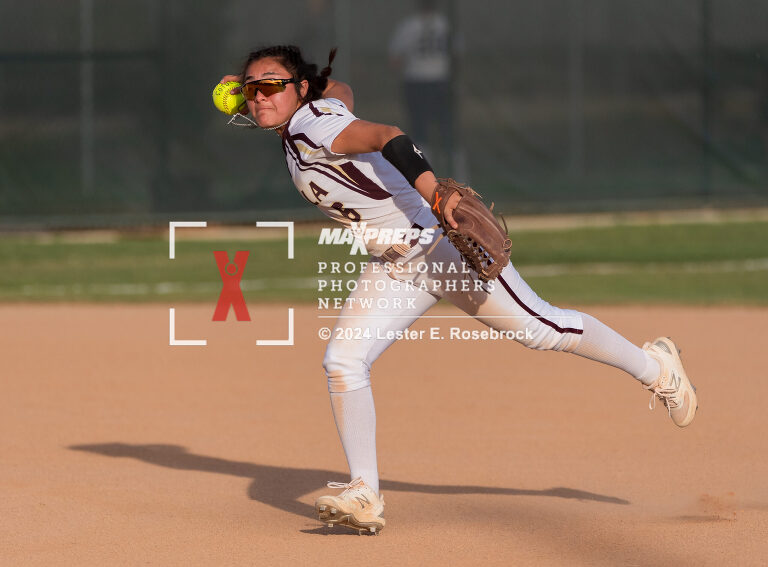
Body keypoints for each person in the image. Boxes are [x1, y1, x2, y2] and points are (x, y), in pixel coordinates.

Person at [219, 45, 697, 535]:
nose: (259, 97)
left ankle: (657, 367)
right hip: (395, 265)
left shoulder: (309, 125)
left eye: (272, 85)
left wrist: (435, 194)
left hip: (438, 247)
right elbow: (342, 91)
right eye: (252, 88)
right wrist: (298, 84)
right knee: (343, 361)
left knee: (542, 329)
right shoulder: (312, 114)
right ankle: (363, 492)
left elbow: (388, 136)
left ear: (297, 89)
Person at [388, 0, 456, 175]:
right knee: (446, 129)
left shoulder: (410, 25)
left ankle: (425, 175)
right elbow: (457, 51)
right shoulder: (445, 23)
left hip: (417, 81)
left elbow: (395, 59)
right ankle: (458, 175)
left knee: (420, 130)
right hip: (441, 80)